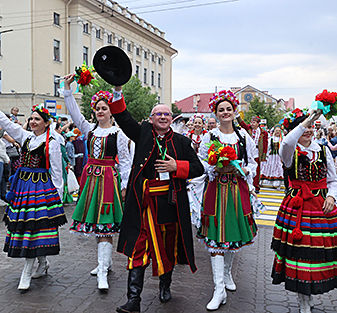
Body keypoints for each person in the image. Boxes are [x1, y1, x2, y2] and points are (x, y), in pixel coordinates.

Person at [106, 85, 204, 313]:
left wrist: (175, 166)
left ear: (172, 118)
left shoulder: (182, 141)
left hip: (169, 206)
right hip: (142, 205)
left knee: (167, 249)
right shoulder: (141, 133)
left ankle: (165, 285)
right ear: (151, 119)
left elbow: (198, 168)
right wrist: (118, 91)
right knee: (138, 249)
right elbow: (122, 116)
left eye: (166, 114)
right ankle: (134, 300)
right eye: (158, 114)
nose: (162, 117)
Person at [0, 88, 67, 291]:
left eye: (37, 119)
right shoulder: (26, 136)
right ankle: (42, 263)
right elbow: (4, 122)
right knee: (29, 226)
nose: (33, 122)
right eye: (31, 119)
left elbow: (56, 171)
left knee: (37, 226)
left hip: (41, 188)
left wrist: (58, 198)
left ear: (46, 123)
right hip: (23, 187)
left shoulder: (52, 143)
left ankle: (28, 271)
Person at [272, 109, 337, 313]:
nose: (308, 130)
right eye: (305, 127)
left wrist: (332, 196)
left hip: (320, 207)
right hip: (298, 206)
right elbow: (287, 142)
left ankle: (309, 293)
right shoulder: (290, 151)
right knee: (301, 254)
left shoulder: (323, 151)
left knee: (318, 253)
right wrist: (307, 120)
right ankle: (303, 299)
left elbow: (333, 181)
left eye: (311, 127)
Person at [62, 75, 132, 291]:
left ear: (111, 110)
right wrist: (67, 89)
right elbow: (73, 111)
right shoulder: (89, 130)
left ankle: (102, 271)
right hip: (91, 180)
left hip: (109, 180)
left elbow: (126, 161)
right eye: (98, 108)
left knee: (105, 225)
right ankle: (105, 262)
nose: (101, 111)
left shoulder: (118, 133)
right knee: (95, 221)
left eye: (105, 108)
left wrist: (125, 186)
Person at [198, 90, 258, 311]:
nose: (225, 112)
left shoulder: (243, 137)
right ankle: (218, 289)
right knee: (215, 238)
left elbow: (252, 162)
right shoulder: (210, 136)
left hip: (236, 189)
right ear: (216, 112)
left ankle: (226, 274)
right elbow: (201, 163)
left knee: (231, 233)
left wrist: (241, 169)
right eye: (221, 109)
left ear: (234, 111)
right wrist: (215, 166)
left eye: (228, 109)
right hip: (215, 189)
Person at [235, 115, 268, 193]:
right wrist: (237, 116)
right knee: (248, 167)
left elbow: (265, 144)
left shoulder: (264, 133)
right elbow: (242, 124)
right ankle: (248, 184)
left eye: (254, 122)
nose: (252, 124)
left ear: (258, 123)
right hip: (249, 151)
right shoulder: (248, 129)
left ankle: (256, 186)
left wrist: (264, 155)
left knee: (257, 169)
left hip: (257, 151)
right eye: (251, 122)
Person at [260, 124, 284, 189]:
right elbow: (268, 147)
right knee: (270, 167)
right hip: (272, 155)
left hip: (279, 156)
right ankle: (263, 181)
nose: (277, 132)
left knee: (279, 168)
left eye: (279, 131)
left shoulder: (282, 139)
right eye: (276, 131)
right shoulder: (271, 139)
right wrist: (266, 155)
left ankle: (277, 183)